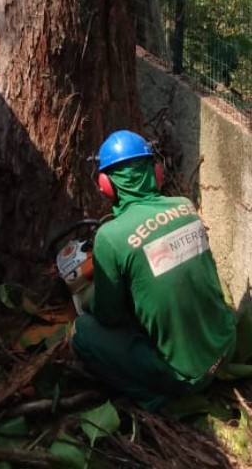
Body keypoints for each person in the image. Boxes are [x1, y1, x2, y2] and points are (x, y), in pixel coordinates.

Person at [72, 129, 236, 409]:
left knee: (83, 331)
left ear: (106, 185)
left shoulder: (110, 238)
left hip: (187, 377)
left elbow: (111, 317)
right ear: (157, 173)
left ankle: (154, 396)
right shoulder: (185, 207)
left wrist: (87, 298)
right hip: (226, 348)